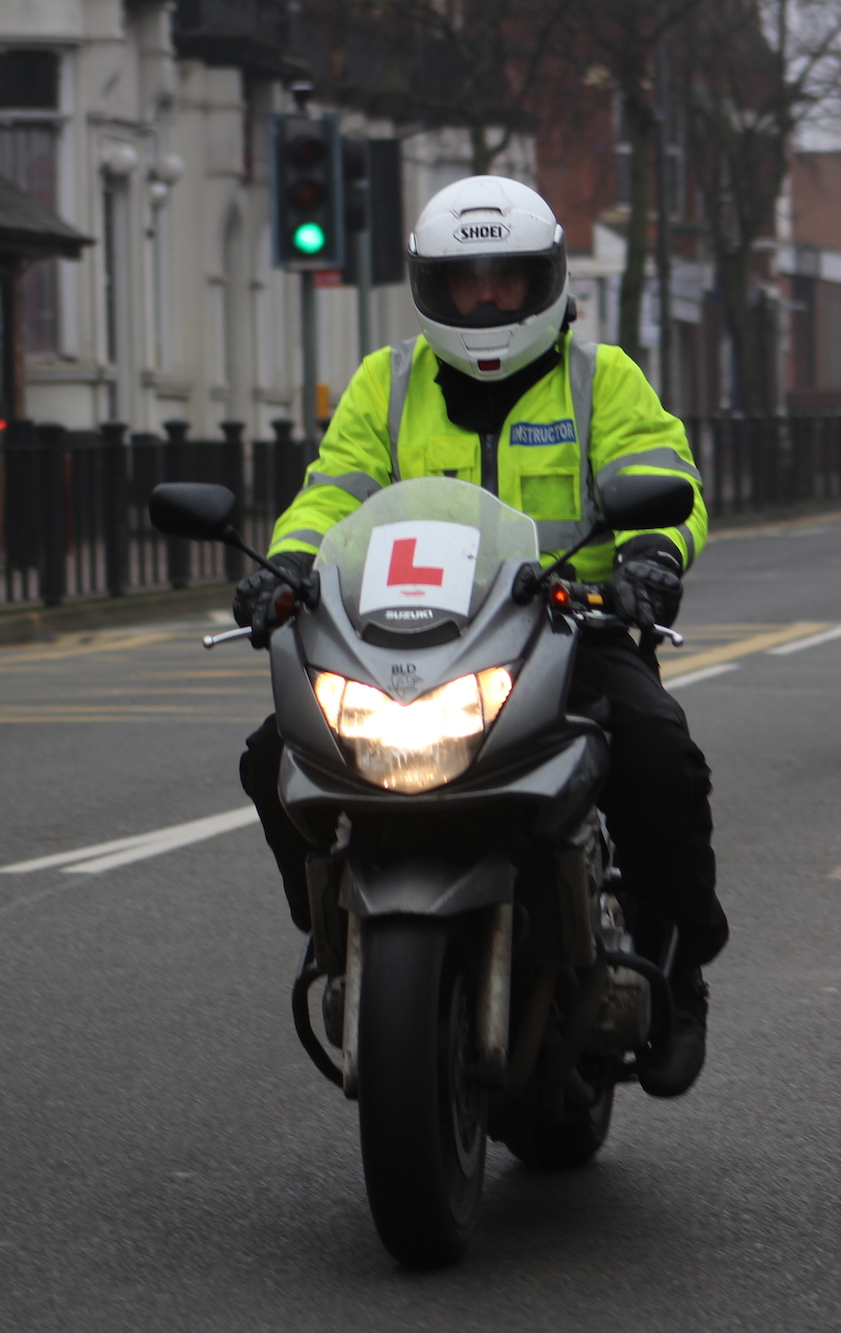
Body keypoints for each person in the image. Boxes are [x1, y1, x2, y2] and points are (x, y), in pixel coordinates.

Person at [233, 176, 723, 1099]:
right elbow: (333, 490)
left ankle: (679, 966)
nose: (489, 299)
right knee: (274, 757)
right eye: (467, 282)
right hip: (413, 640)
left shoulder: (600, 376)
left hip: (575, 629)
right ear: (432, 287)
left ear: (545, 279)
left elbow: (662, 471)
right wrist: (283, 567)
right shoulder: (389, 381)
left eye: (506, 278)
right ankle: (332, 927)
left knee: (660, 759)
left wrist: (652, 559)